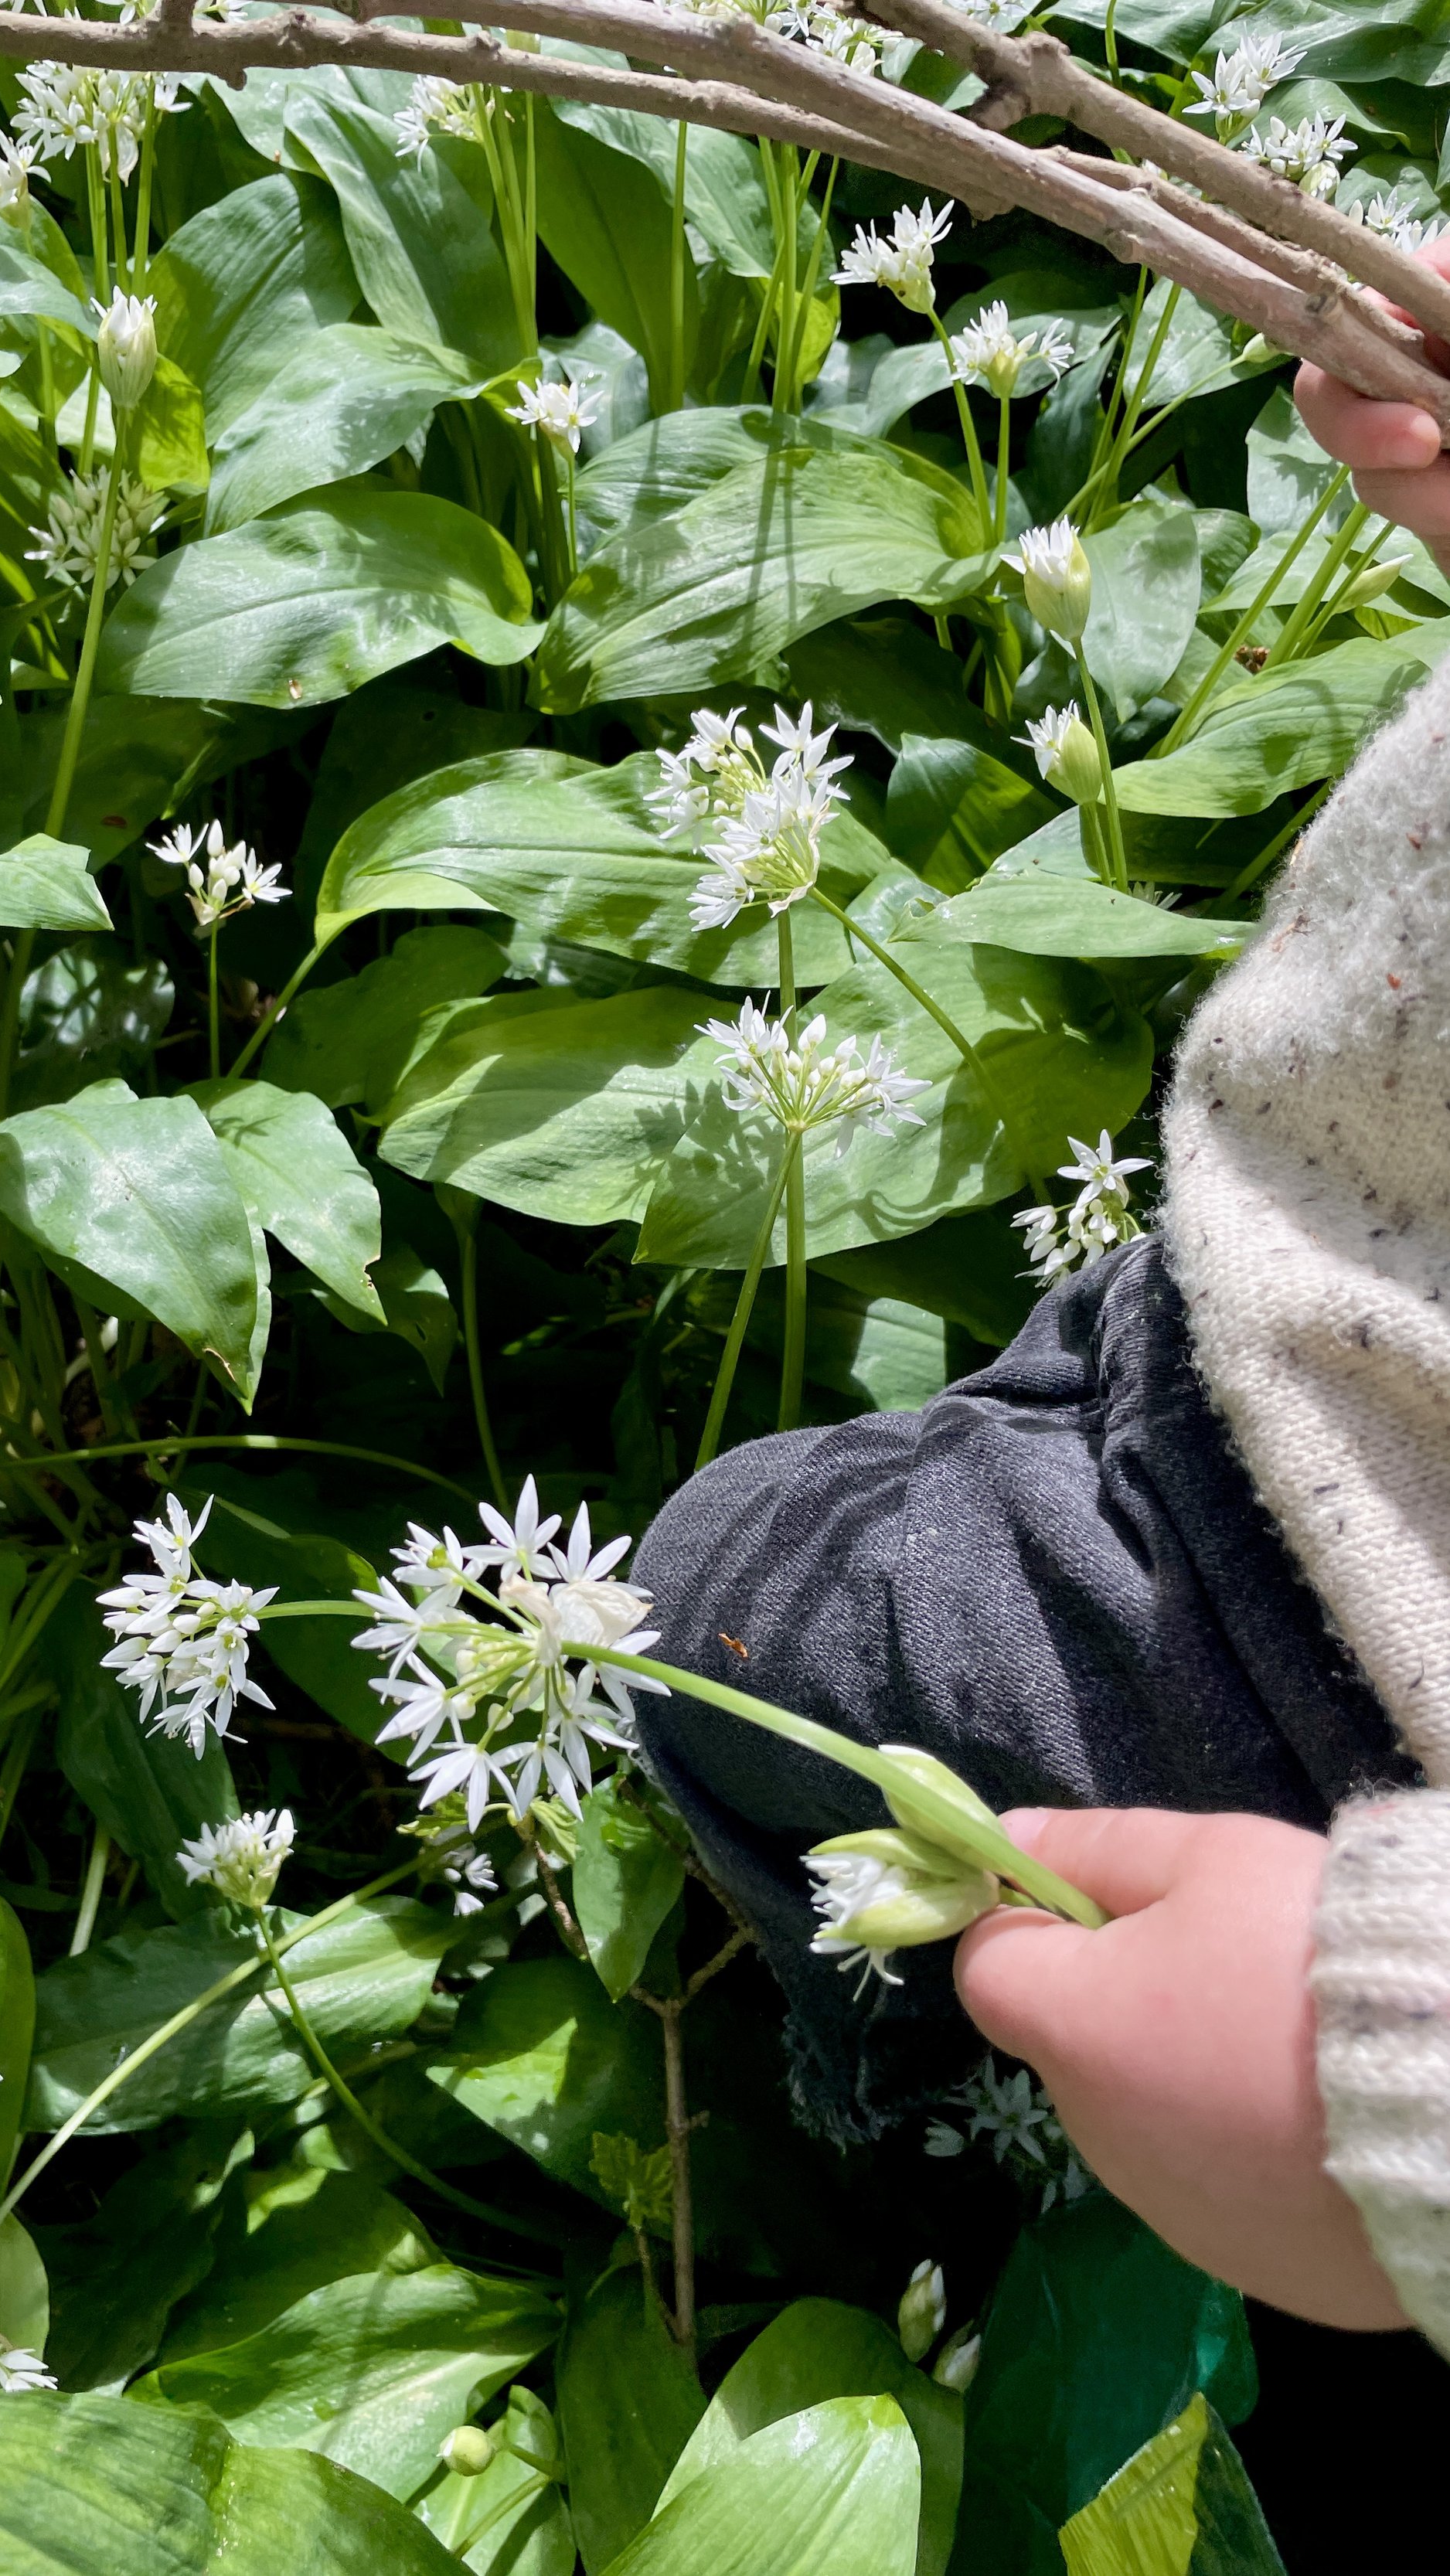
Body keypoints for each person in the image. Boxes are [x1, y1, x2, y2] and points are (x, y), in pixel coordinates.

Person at [631, 265, 1450, 2355]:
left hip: (1343, 1656)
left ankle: (930, 2136)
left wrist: (1385, 2076)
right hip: (1313, 1295)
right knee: (966, 1453)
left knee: (717, 1611)